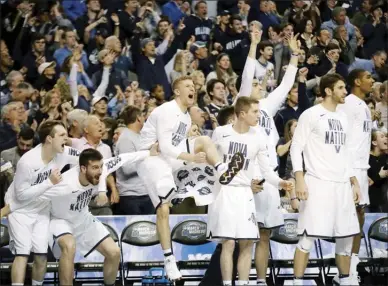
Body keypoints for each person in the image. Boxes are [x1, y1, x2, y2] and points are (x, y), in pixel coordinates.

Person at [137, 75, 244, 280]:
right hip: (151, 159)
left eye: (194, 86)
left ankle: (222, 170)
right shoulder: (166, 110)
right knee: (163, 208)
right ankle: (169, 260)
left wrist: (196, 160)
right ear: (177, 92)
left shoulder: (186, 117)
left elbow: (175, 148)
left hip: (170, 158)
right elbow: (166, 147)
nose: (192, 88)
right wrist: (191, 158)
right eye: (187, 86)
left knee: (203, 140)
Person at [2, 146, 159, 285]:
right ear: (83, 169)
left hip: (83, 219)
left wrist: (148, 152)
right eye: (95, 168)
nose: (99, 171)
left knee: (114, 252)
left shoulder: (100, 171)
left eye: (101, 167)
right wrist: (3, 212)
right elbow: (27, 199)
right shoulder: (64, 184)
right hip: (60, 221)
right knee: (69, 246)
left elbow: (123, 158)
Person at [234, 28, 299, 286]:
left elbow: (285, 85)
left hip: (270, 178)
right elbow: (247, 75)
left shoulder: (267, 109)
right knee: (246, 237)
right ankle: (242, 281)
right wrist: (254, 45)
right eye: (256, 86)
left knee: (264, 235)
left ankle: (261, 281)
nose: (259, 87)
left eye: (261, 86)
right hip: (250, 179)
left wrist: (294, 55)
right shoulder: (241, 104)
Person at [207, 97, 293, 286]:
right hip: (224, 192)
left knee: (247, 242)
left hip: (245, 193)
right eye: (255, 111)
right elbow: (210, 160)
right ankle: (227, 283)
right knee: (228, 243)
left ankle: (244, 283)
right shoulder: (220, 133)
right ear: (242, 114)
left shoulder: (259, 137)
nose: (258, 115)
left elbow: (266, 170)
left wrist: (281, 183)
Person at [290, 73, 361, 286]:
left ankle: (345, 280)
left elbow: (347, 153)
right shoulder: (311, 115)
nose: (345, 92)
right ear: (328, 91)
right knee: (307, 237)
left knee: (345, 237)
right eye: (341, 88)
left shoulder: (344, 118)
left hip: (341, 185)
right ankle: (297, 282)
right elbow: (296, 147)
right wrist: (299, 179)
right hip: (317, 182)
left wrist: (354, 181)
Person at [3, 120, 81, 286]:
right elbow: (21, 196)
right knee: (22, 253)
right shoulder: (28, 162)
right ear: (49, 139)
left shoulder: (64, 152)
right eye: (61, 135)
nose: (66, 139)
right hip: (20, 208)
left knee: (41, 254)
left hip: (41, 207)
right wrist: (49, 183)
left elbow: (86, 157)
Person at [336, 68, 374, 284]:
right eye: (368, 77)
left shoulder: (363, 105)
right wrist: (348, 169)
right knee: (350, 216)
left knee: (358, 216)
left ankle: (352, 267)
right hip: (351, 167)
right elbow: (343, 137)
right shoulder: (349, 103)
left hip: (361, 167)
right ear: (357, 81)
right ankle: (344, 271)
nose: (372, 80)